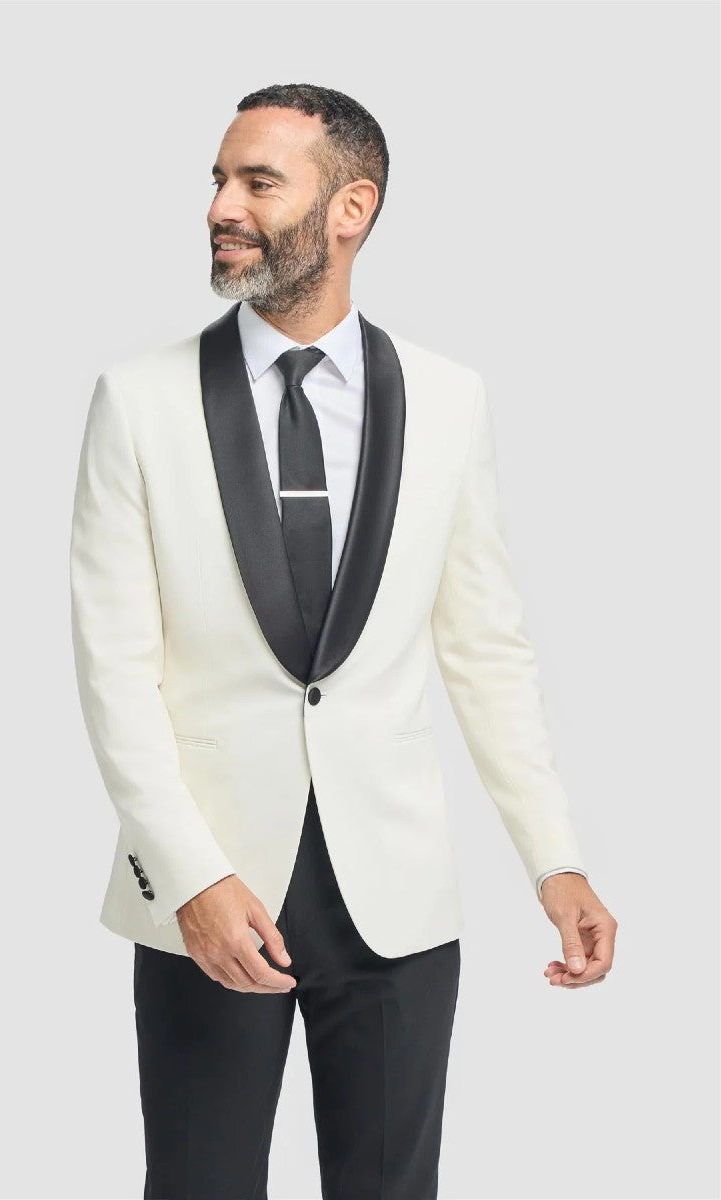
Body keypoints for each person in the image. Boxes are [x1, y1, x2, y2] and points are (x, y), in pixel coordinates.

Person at [69, 81, 618, 1200]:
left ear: (351, 208)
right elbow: (113, 673)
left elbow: (486, 648)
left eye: (257, 182)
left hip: (397, 894)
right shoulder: (137, 400)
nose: (221, 206)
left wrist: (553, 857)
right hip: (211, 892)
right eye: (218, 180)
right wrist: (189, 876)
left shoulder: (450, 399)